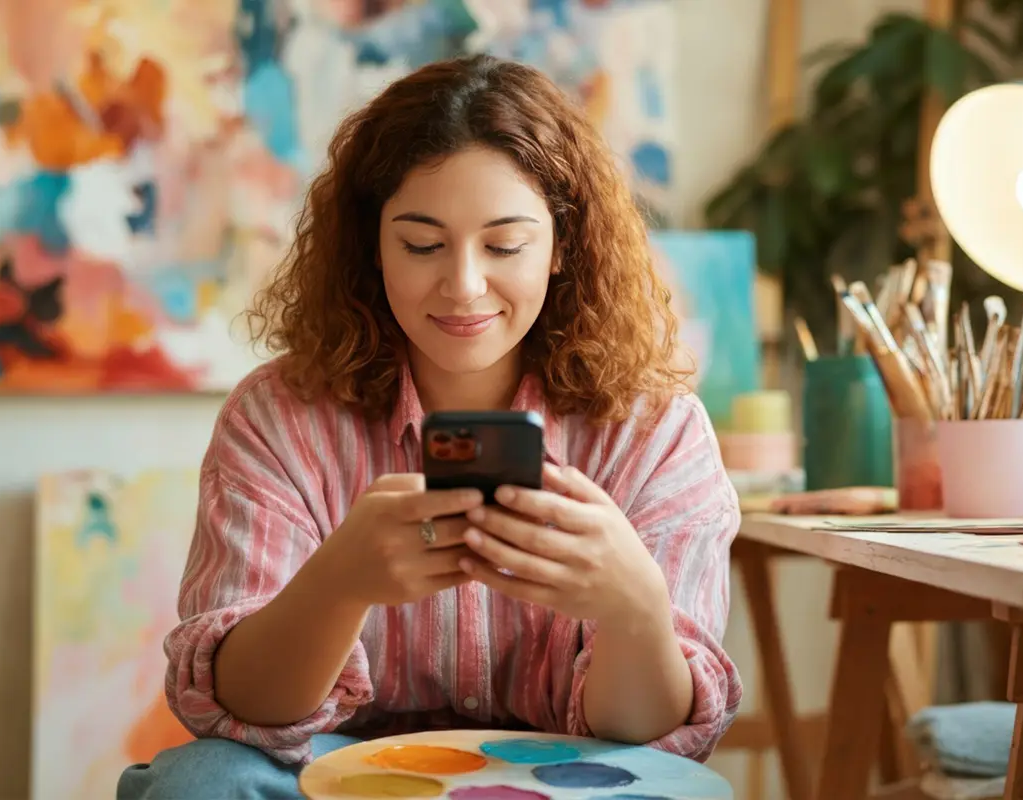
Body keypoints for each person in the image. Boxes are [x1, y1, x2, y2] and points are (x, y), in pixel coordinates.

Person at [118, 53, 742, 800]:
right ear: (371, 246)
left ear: (562, 249)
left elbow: (646, 742)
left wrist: (632, 603)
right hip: (328, 770)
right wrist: (337, 584)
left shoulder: (654, 430)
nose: (464, 285)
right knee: (203, 782)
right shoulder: (278, 417)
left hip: (569, 776)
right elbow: (240, 713)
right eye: (421, 244)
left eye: (505, 245)